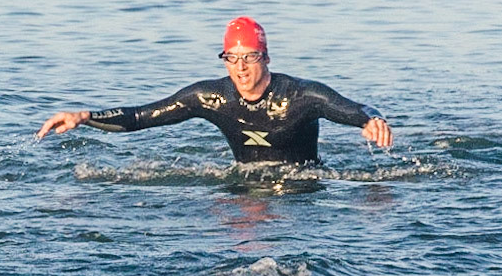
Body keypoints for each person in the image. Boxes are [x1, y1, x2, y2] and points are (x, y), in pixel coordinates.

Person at [36, 17, 392, 165]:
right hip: (243, 189)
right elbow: (143, 117)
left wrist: (369, 119)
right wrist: (85, 117)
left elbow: (352, 107)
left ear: (265, 58)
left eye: (249, 57)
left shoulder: (299, 96)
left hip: (301, 192)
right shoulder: (212, 97)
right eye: (231, 58)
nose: (240, 67)